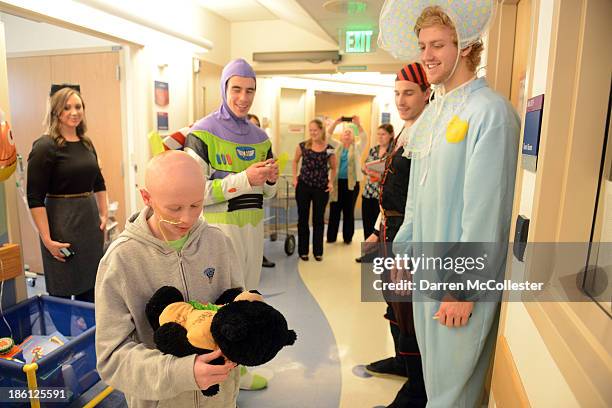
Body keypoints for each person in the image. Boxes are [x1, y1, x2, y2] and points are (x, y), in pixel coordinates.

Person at [380, 3, 519, 407]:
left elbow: (485, 213)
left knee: (454, 394)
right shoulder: (435, 114)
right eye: (423, 45)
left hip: (457, 288)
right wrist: (403, 257)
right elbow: (418, 200)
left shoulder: (490, 113)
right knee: (437, 386)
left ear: (468, 45)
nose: (426, 55)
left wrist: (462, 289)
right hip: (426, 279)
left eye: (438, 44)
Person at [95, 151, 241, 408]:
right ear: (147, 198)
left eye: (196, 205)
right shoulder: (121, 260)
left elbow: (237, 310)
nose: (187, 218)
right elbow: (112, 358)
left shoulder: (218, 243)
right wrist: (183, 372)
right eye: (174, 209)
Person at [184, 58, 277, 391]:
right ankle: (213, 375)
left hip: (252, 232)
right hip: (217, 234)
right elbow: (194, 192)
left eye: (250, 90)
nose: (243, 97)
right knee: (219, 306)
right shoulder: (201, 132)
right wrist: (244, 179)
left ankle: (241, 370)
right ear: (224, 88)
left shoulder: (261, 137)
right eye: (236, 89)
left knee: (248, 301)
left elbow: (268, 190)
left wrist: (269, 181)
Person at [359, 63, 431, 408]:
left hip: (408, 234)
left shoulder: (428, 133)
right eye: (398, 93)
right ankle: (403, 362)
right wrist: (376, 232)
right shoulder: (406, 130)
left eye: (409, 93)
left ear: (426, 93)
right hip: (389, 228)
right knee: (392, 300)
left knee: (407, 310)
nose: (401, 101)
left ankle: (418, 390)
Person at [27, 85, 108, 303]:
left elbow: (99, 181)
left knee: (91, 285)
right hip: (61, 224)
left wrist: (103, 215)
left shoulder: (86, 143)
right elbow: (34, 197)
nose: (74, 112)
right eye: (67, 108)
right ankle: (67, 335)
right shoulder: (45, 146)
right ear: (56, 112)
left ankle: (90, 333)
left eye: (78, 106)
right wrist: (47, 239)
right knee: (63, 284)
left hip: (89, 224)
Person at [292, 119, 337, 261]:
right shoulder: (302, 146)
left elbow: (334, 167)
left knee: (318, 219)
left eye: (315, 130)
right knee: (303, 218)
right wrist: (295, 178)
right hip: (303, 186)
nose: (312, 133)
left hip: (321, 187)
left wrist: (331, 182)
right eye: (310, 130)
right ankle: (303, 251)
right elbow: (295, 161)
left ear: (321, 130)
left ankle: (318, 251)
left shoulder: (329, 148)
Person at [326, 116, 367, 245]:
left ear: (353, 136)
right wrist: (336, 123)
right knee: (334, 210)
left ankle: (348, 237)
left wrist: (358, 125)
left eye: (350, 132)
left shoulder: (357, 148)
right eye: (345, 132)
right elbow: (326, 137)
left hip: (352, 185)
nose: (347, 134)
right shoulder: (336, 146)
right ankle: (331, 237)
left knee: (349, 212)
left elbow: (364, 137)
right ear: (341, 136)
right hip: (337, 184)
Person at [247, 113, 276, 268]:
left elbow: (269, 191)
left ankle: (260, 256)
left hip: (257, 201)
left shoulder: (263, 149)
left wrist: (271, 179)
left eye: (256, 126)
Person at [360, 124, 394, 240]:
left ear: (391, 135)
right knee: (367, 225)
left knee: (379, 228)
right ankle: (367, 253)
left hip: (382, 195)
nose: (380, 137)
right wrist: (364, 169)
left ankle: (378, 256)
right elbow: (365, 166)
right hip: (368, 192)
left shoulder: (393, 152)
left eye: (383, 134)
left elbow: (394, 175)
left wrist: (379, 176)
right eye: (378, 134)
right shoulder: (373, 150)